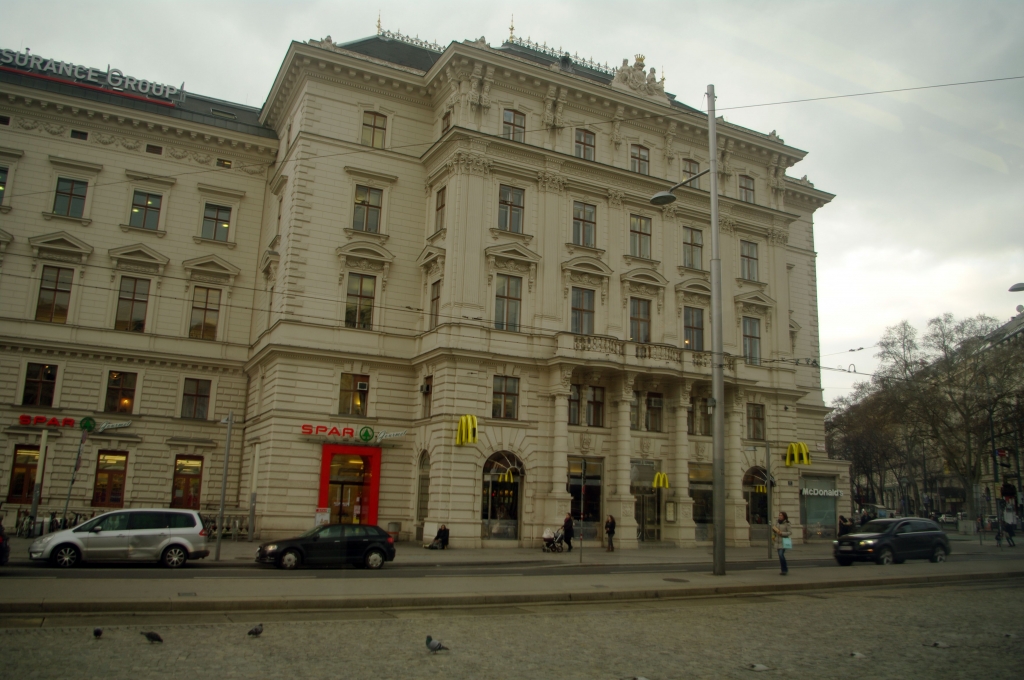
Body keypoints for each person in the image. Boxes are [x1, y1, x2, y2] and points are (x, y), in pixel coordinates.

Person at [771, 511, 792, 575]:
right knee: (780, 556)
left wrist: (782, 533)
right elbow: (774, 529)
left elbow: (790, 532)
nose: (780, 516)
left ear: (784, 516)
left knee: (781, 555)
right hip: (777, 541)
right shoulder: (777, 522)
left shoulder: (787, 523)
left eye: (781, 515)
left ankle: (784, 569)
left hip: (783, 541)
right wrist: (774, 530)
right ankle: (783, 569)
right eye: (779, 515)